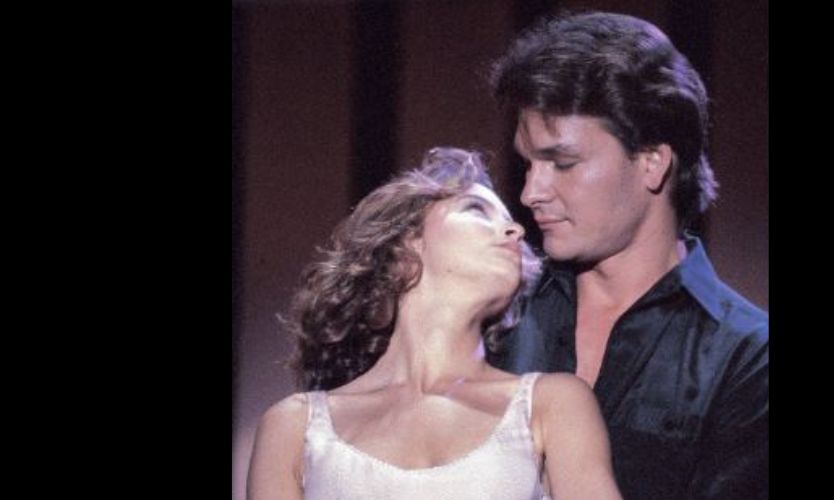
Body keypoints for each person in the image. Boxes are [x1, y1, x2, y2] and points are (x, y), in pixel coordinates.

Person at [487, 11, 769, 500]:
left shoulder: (745, 357)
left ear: (653, 162)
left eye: (562, 163)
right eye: (528, 164)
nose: (532, 192)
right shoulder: (499, 311)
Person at [246, 147, 622, 500]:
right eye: (476, 210)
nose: (517, 231)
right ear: (402, 248)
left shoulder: (551, 404)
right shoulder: (296, 426)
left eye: (511, 224)